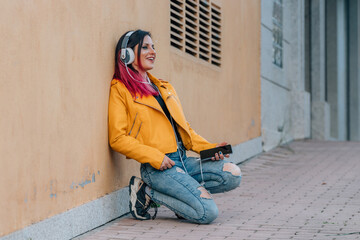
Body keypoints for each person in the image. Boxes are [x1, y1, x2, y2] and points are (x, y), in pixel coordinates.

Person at [108, 29, 241, 224]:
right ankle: (147, 192)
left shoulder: (164, 87)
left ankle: (182, 198)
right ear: (126, 54)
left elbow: (184, 129)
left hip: (183, 160)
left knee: (233, 174)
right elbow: (117, 139)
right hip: (158, 168)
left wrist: (209, 148)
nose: (152, 51)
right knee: (207, 212)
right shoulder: (120, 89)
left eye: (153, 47)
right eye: (145, 47)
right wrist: (155, 157)